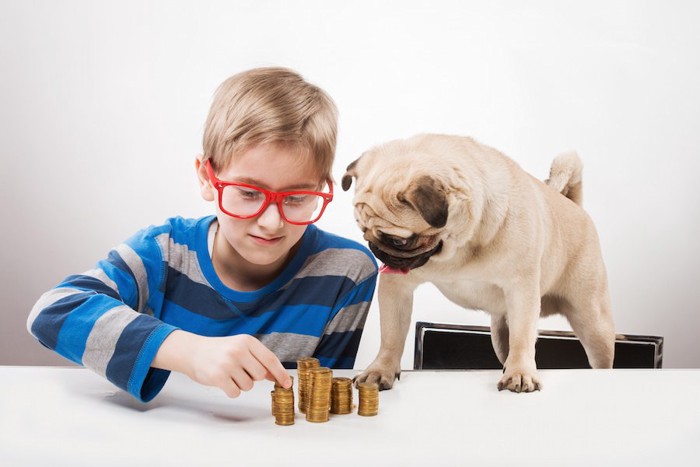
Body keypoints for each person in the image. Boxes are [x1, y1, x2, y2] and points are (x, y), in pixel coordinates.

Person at [27, 67, 378, 403]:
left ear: (323, 188)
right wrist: (186, 350)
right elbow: (53, 311)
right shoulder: (164, 252)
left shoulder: (347, 273)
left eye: (298, 198)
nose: (272, 222)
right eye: (249, 193)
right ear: (207, 178)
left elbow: (321, 405)